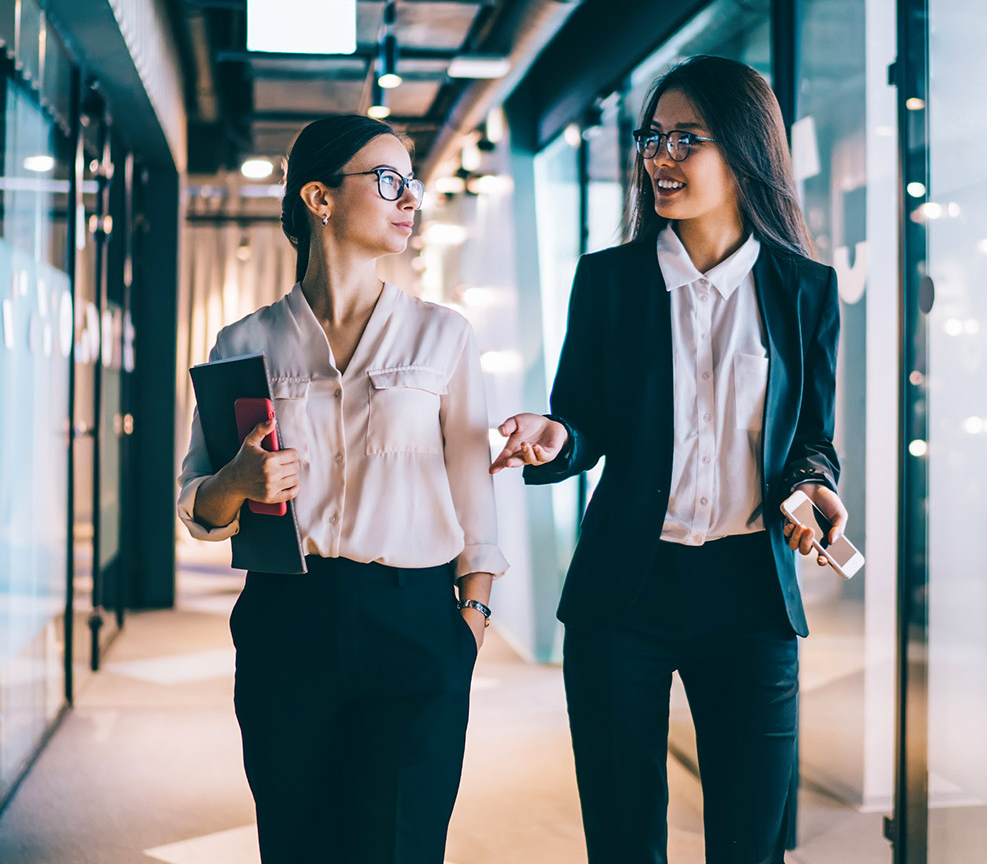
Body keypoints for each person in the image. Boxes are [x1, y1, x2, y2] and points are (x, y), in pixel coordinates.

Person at [491, 56, 848, 863]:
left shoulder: (804, 289)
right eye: (653, 137)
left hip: (750, 596)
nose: (660, 156)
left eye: (687, 139)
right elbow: (580, 420)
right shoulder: (609, 281)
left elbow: (813, 437)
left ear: (746, 150)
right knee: (622, 842)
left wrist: (814, 488)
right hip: (627, 592)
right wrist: (556, 439)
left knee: (750, 845)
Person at [177, 114, 507, 863]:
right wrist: (237, 479)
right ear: (319, 199)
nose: (409, 198)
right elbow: (200, 507)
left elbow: (473, 498)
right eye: (388, 180)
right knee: (297, 844)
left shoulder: (443, 335)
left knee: (402, 845)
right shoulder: (244, 343)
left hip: (417, 621)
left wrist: (473, 618)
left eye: (412, 184)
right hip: (287, 619)